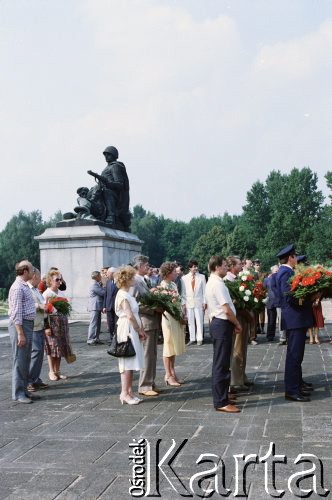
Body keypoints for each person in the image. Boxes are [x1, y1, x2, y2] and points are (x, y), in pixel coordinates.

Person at [275, 244, 314, 402]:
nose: (297, 258)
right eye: (295, 256)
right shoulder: (285, 273)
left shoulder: (288, 271)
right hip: (294, 319)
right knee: (294, 356)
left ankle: (296, 385)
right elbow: (289, 296)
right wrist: (307, 298)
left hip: (297, 319)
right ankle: (291, 390)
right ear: (290, 257)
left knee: (297, 356)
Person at [205, 255, 242, 413]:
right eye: (225, 265)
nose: (227, 267)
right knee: (221, 363)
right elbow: (226, 309)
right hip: (222, 323)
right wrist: (237, 323)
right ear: (217, 267)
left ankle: (223, 395)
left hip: (220, 323)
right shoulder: (217, 284)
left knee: (222, 362)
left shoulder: (214, 281)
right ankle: (220, 401)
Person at [114, 265, 146, 405]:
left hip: (131, 328)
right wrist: (139, 329)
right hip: (127, 328)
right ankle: (124, 393)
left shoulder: (127, 294)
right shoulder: (122, 295)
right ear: (126, 280)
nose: (134, 279)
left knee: (132, 361)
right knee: (127, 361)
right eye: (131, 277)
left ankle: (129, 392)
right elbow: (129, 315)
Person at [132, 255, 161, 397]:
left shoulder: (145, 280)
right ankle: (144, 385)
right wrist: (153, 308)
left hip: (152, 321)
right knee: (147, 355)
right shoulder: (135, 281)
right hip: (145, 321)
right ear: (139, 266)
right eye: (146, 265)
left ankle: (151, 382)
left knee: (152, 354)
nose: (148, 267)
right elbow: (134, 304)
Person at [8, 260, 36, 404]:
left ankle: (24, 390)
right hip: (21, 325)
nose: (33, 272)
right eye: (31, 269)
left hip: (26, 325)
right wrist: (20, 333)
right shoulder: (18, 287)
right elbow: (16, 313)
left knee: (25, 359)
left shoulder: (23, 286)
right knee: (20, 360)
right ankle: (19, 393)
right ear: (25, 271)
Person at [225, 256, 253, 391]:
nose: (241, 265)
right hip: (237, 317)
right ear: (231, 266)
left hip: (242, 316)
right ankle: (236, 380)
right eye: (238, 264)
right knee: (237, 349)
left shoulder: (237, 279)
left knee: (243, 348)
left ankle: (242, 376)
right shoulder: (228, 280)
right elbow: (232, 304)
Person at [87, 146, 130, 231]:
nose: (106, 157)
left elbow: (120, 184)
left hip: (114, 195)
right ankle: (85, 211)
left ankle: (111, 216)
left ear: (114, 155)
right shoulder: (107, 167)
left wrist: (105, 181)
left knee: (107, 192)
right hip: (101, 190)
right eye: (105, 155)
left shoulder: (115, 166)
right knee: (89, 192)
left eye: (108, 155)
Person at [159, 261, 185, 386]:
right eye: (174, 271)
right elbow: (166, 305)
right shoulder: (163, 285)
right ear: (168, 273)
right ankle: (168, 375)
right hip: (168, 318)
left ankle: (172, 372)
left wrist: (181, 314)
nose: (176, 273)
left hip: (175, 317)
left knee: (173, 346)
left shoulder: (173, 284)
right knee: (168, 346)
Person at [43, 269, 72, 381]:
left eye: (60, 279)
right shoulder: (47, 294)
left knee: (59, 347)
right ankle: (51, 371)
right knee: (52, 348)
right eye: (57, 279)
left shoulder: (60, 292)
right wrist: (47, 327)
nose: (60, 281)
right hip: (52, 324)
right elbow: (45, 312)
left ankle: (57, 371)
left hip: (61, 324)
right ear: (50, 281)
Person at [27, 268, 49, 392]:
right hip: (33, 325)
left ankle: (35, 379)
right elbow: (27, 303)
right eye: (39, 276)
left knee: (39, 353)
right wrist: (39, 306)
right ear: (34, 276)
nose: (41, 279)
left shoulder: (36, 289)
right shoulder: (27, 289)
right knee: (35, 353)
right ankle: (29, 380)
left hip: (40, 324)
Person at [181, 259, 207, 346]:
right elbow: (183, 293)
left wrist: (204, 302)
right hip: (189, 302)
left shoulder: (202, 277)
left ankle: (200, 338)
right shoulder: (184, 278)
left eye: (196, 266)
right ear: (189, 268)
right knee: (190, 321)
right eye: (194, 267)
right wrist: (183, 303)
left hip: (199, 302)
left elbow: (204, 291)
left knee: (199, 321)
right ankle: (192, 338)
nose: (196, 268)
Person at [87, 271, 106, 345]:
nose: (101, 277)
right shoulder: (94, 285)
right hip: (94, 306)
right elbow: (103, 293)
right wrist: (105, 287)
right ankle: (91, 339)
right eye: (100, 276)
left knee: (97, 323)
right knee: (93, 323)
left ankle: (96, 338)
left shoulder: (96, 284)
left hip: (97, 306)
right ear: (97, 276)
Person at [263, 265, 279, 342]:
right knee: (271, 320)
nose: (277, 272)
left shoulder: (280, 279)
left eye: (278, 271)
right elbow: (264, 290)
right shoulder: (267, 280)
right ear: (272, 271)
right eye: (275, 271)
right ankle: (270, 335)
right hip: (270, 302)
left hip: (279, 301)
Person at [103, 267, 118, 344]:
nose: (106, 275)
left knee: (117, 323)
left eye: (107, 274)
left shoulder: (119, 282)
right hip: (109, 306)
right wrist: (104, 306)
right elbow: (106, 294)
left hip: (117, 306)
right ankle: (111, 338)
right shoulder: (108, 282)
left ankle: (117, 338)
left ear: (112, 273)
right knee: (110, 323)